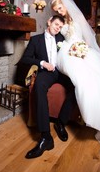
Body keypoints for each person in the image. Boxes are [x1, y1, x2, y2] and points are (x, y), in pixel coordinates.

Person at [51, 0, 100, 158]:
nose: (60, 12)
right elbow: (56, 35)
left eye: (60, 8)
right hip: (66, 55)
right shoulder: (59, 21)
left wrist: (83, 50)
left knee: (97, 80)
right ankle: (70, 120)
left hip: (81, 51)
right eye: (56, 10)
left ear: (66, 4)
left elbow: (88, 40)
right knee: (82, 81)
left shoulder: (78, 18)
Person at [20, 15, 76, 159]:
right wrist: (42, 63)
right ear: (49, 21)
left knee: (77, 86)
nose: (57, 28)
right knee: (39, 85)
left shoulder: (62, 40)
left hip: (61, 72)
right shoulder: (36, 40)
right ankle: (46, 137)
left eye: (60, 27)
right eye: (56, 24)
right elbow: (25, 59)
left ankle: (60, 123)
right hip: (47, 72)